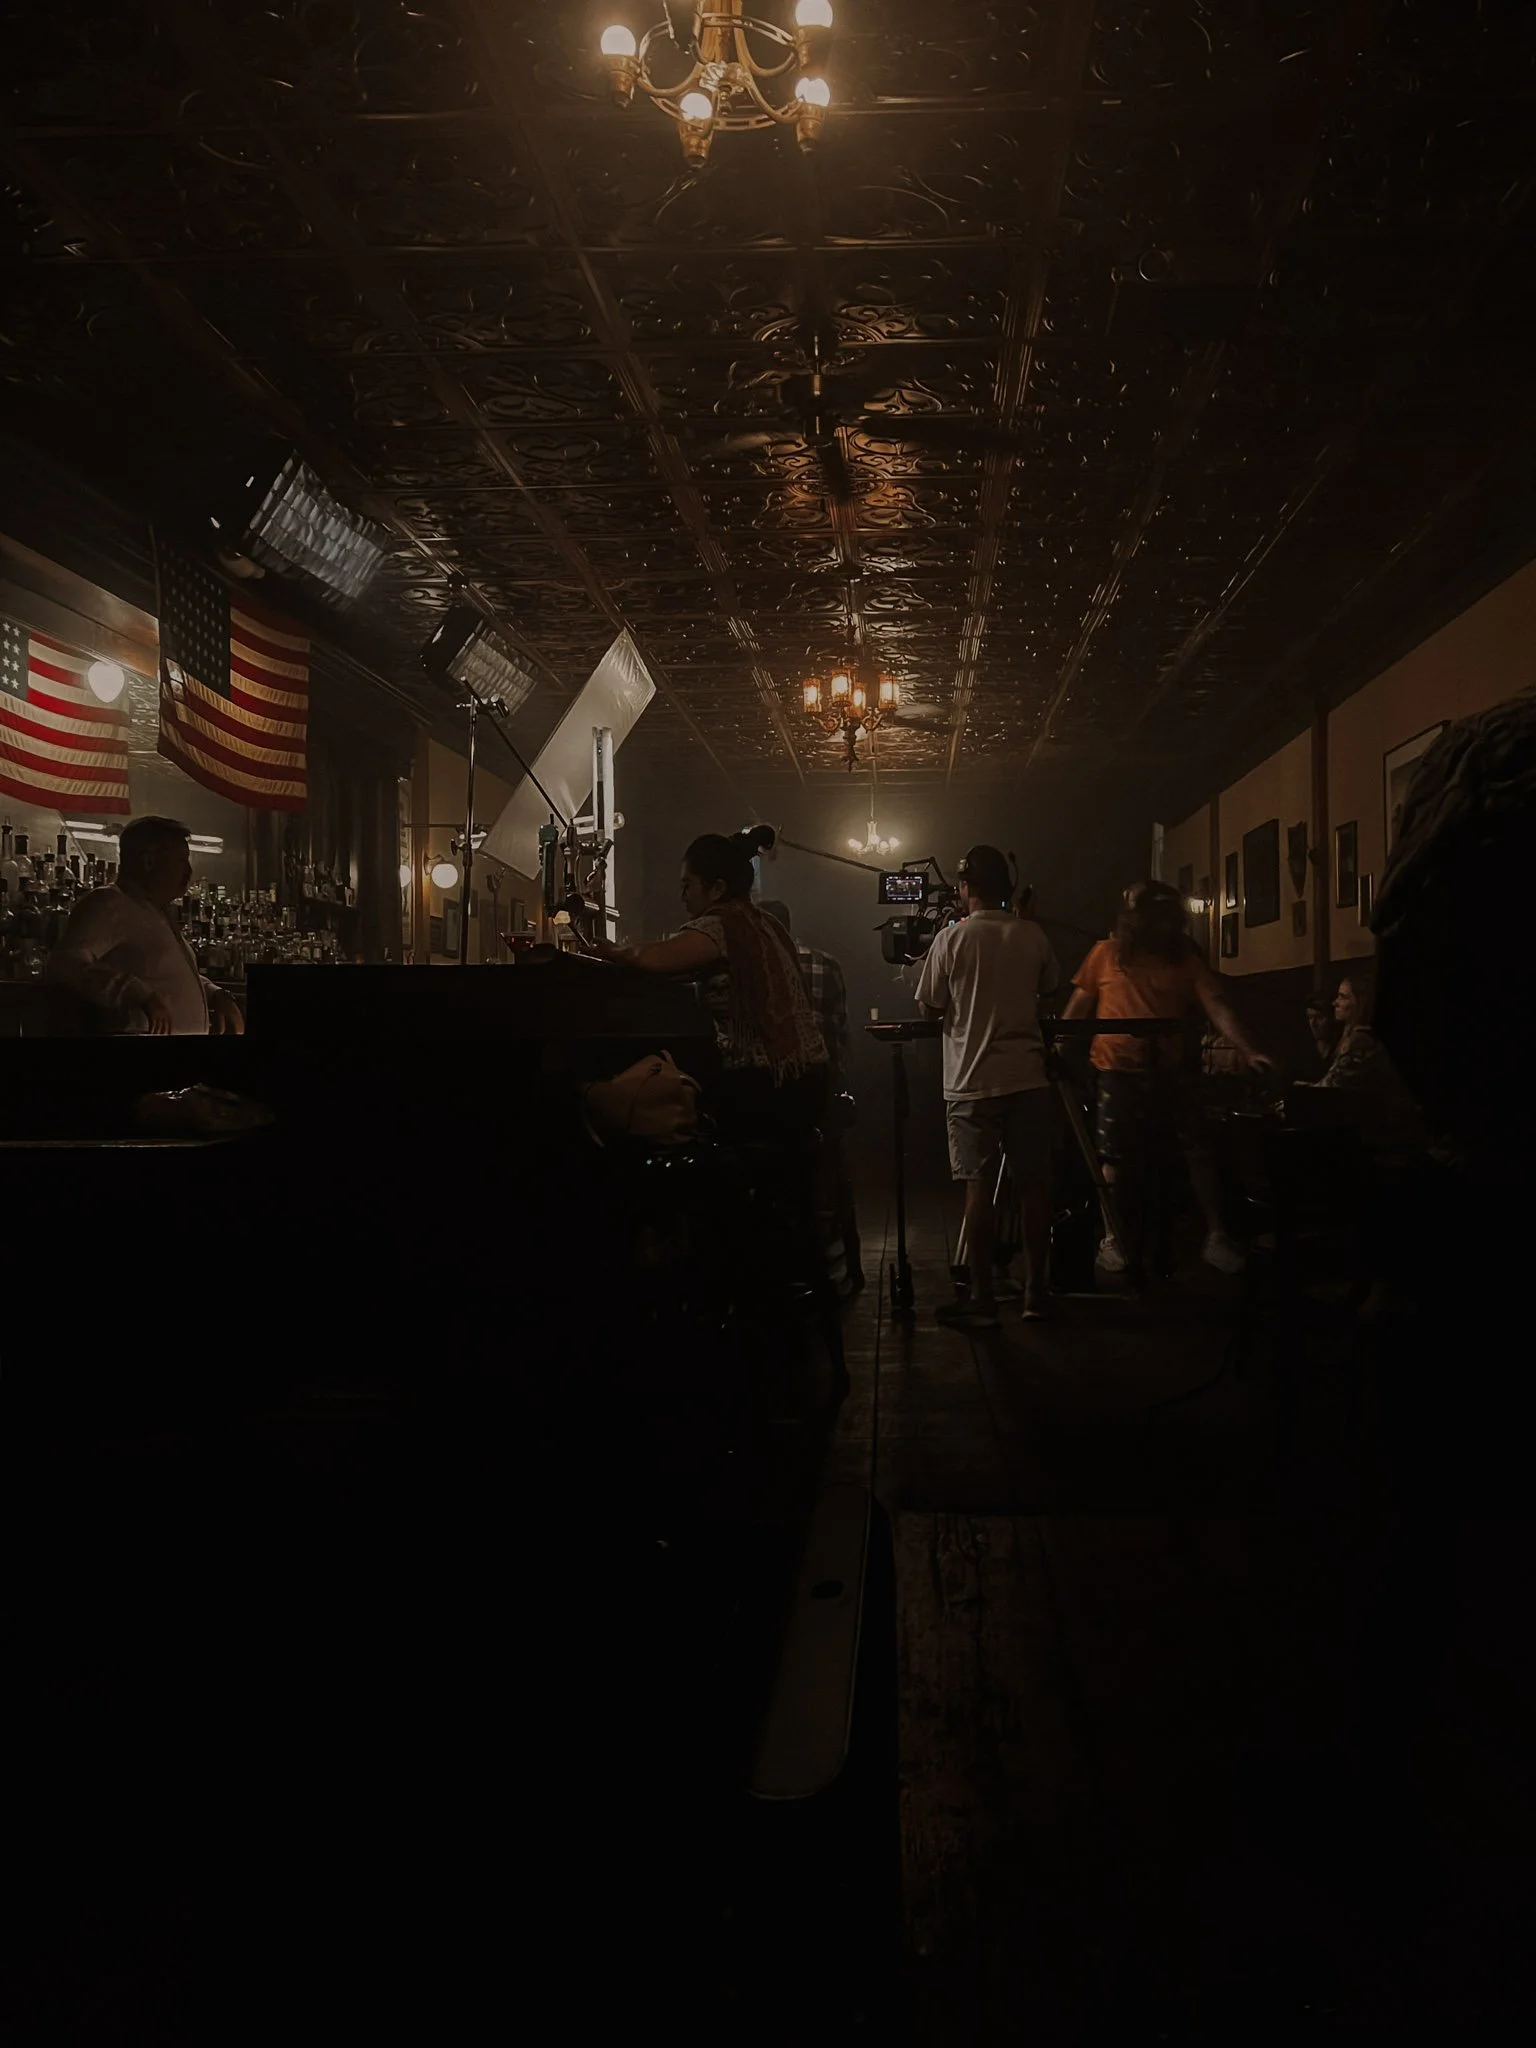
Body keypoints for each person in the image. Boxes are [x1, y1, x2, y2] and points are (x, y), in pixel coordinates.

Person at [1062, 879, 1270, 1275]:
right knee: (1114, 1160)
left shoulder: (1184, 959)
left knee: (1197, 1149)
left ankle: (1215, 1236)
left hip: (1169, 1070)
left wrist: (1249, 1050)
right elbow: (1077, 1011)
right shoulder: (1106, 954)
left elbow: (1217, 1005)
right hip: (1115, 1071)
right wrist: (1055, 1053)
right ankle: (1113, 1239)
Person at [913, 843, 1060, 1329]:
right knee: (1035, 1188)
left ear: (964, 888)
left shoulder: (951, 939)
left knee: (978, 1192)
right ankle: (1036, 1292)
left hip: (970, 1081)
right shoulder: (1032, 934)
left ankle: (981, 1297)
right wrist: (1024, 921)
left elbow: (929, 1006)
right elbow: (1051, 985)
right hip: (1027, 1076)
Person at [597, 832, 827, 1140]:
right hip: (807, 1078)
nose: (683, 896)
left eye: (687, 885)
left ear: (717, 888)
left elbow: (654, 958)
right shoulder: (765, 922)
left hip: (766, 1085)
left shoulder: (722, 924)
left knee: (652, 1096)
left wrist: (610, 950)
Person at [46, 815, 244, 1037]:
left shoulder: (155, 913)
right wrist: (136, 992)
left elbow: (162, 976)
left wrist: (216, 994)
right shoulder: (110, 903)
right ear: (149, 861)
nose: (188, 872)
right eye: (181, 861)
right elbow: (65, 965)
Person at [758, 898, 863, 1292]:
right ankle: (838, 1255)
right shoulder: (826, 964)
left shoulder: (753, 969)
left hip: (776, 1104)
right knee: (825, 1166)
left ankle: (776, 1259)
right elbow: (839, 1036)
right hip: (824, 1097)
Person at [1305, 988, 1340, 1074]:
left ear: (1332, 1018)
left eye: (1319, 1018)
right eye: (1310, 1017)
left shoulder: (1341, 1047)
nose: (1313, 1023)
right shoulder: (1304, 1047)